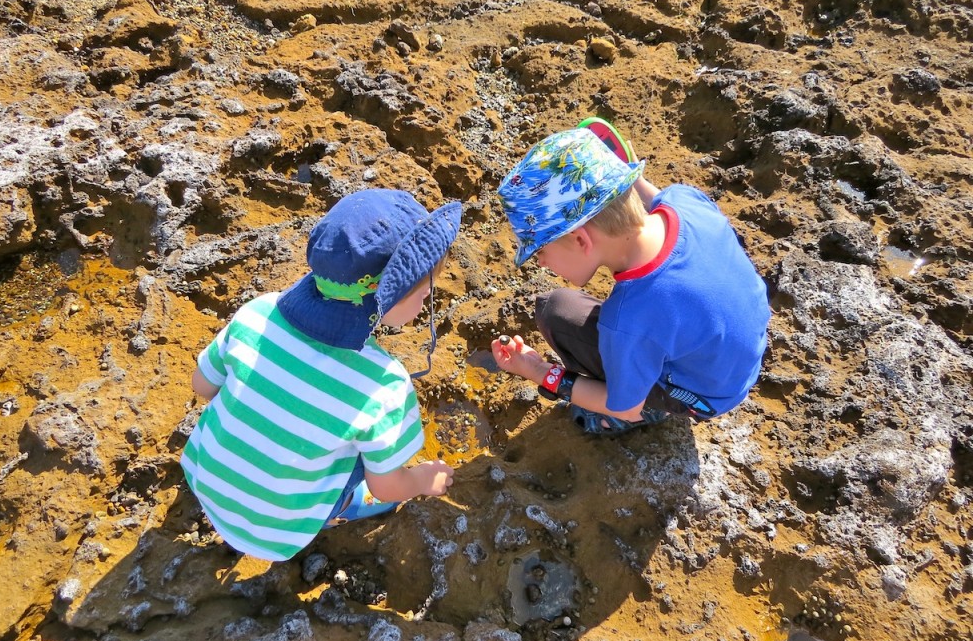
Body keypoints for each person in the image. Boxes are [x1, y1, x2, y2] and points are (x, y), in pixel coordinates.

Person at [182, 189, 460, 561]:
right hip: (277, 532)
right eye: (423, 290)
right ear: (386, 296)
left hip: (205, 482)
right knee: (369, 465)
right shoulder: (384, 384)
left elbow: (202, 385)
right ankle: (339, 511)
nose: (428, 297)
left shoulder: (257, 313)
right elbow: (387, 486)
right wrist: (425, 480)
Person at [491, 127, 770, 434]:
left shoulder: (628, 318)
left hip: (702, 395)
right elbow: (650, 195)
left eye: (541, 250)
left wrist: (539, 371)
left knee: (557, 312)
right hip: (737, 358)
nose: (541, 262)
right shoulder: (685, 201)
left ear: (581, 240)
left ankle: (652, 412)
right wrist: (627, 176)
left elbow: (622, 405)